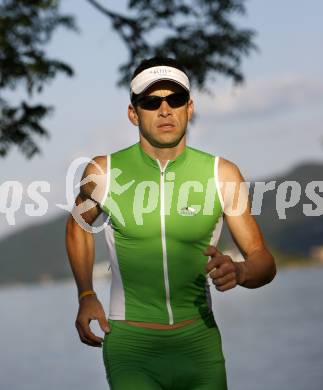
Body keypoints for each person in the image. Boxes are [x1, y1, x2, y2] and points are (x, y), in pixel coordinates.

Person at [65, 56, 276, 390]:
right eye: (151, 102)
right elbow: (77, 225)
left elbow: (263, 260)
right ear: (134, 113)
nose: (165, 110)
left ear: (189, 108)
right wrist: (86, 293)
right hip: (131, 349)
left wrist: (241, 271)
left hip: (199, 347)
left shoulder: (222, 174)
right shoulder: (103, 171)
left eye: (174, 99)